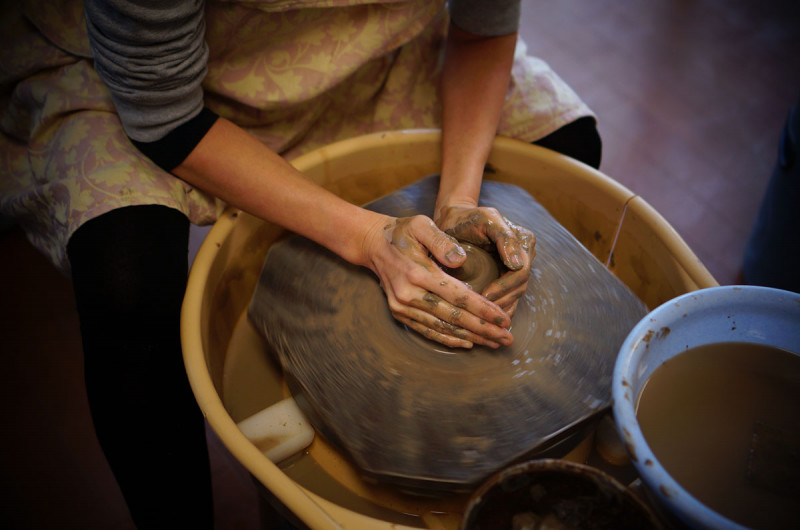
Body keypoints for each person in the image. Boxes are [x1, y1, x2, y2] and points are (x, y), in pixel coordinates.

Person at [1, 0, 601, 527]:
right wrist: (367, 236)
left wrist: (458, 205)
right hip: (177, 90)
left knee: (568, 148)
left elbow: (480, 32)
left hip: (380, 48)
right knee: (125, 283)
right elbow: (163, 114)